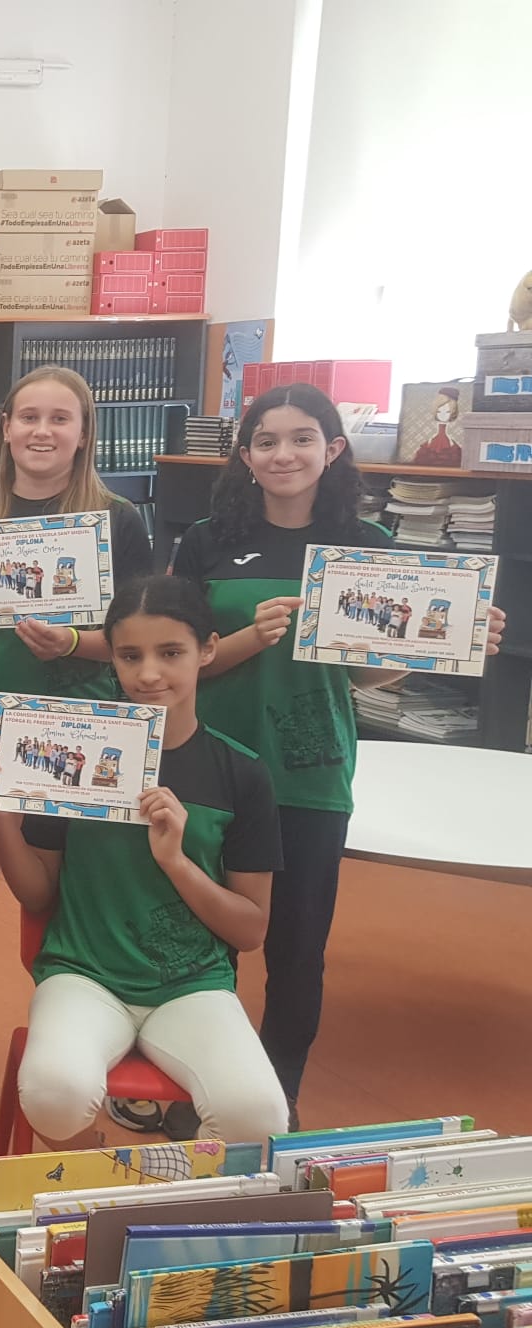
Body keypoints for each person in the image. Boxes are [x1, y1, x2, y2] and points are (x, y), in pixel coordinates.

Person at [164, 385, 506, 1130]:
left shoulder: (369, 544)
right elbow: (172, 663)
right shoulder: (207, 541)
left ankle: (275, 1097)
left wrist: (450, 643)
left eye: (301, 439)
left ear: (334, 449)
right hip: (210, 764)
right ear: (245, 455)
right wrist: (250, 637)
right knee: (197, 937)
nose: (283, 454)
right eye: (265, 441)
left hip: (309, 769)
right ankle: (192, 1084)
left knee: (297, 947)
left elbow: (366, 675)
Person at [0, 575, 292, 1146]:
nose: (148, 674)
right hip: (82, 975)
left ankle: (167, 1197)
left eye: (171, 653)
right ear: (110, 656)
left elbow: (250, 930)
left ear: (208, 650)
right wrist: (0, 815)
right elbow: (38, 895)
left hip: (193, 984)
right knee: (55, 1095)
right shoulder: (75, 747)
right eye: (129, 655)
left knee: (259, 1116)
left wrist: (177, 862)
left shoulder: (241, 773)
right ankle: (91, 1177)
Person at [0, 366, 153, 1006]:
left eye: (60, 419)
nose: (42, 431)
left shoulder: (118, 521)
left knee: (83, 884)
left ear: (84, 433)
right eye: (29, 417)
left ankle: (88, 1014)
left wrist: (74, 644)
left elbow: (144, 638)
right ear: (5, 428)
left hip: (83, 727)